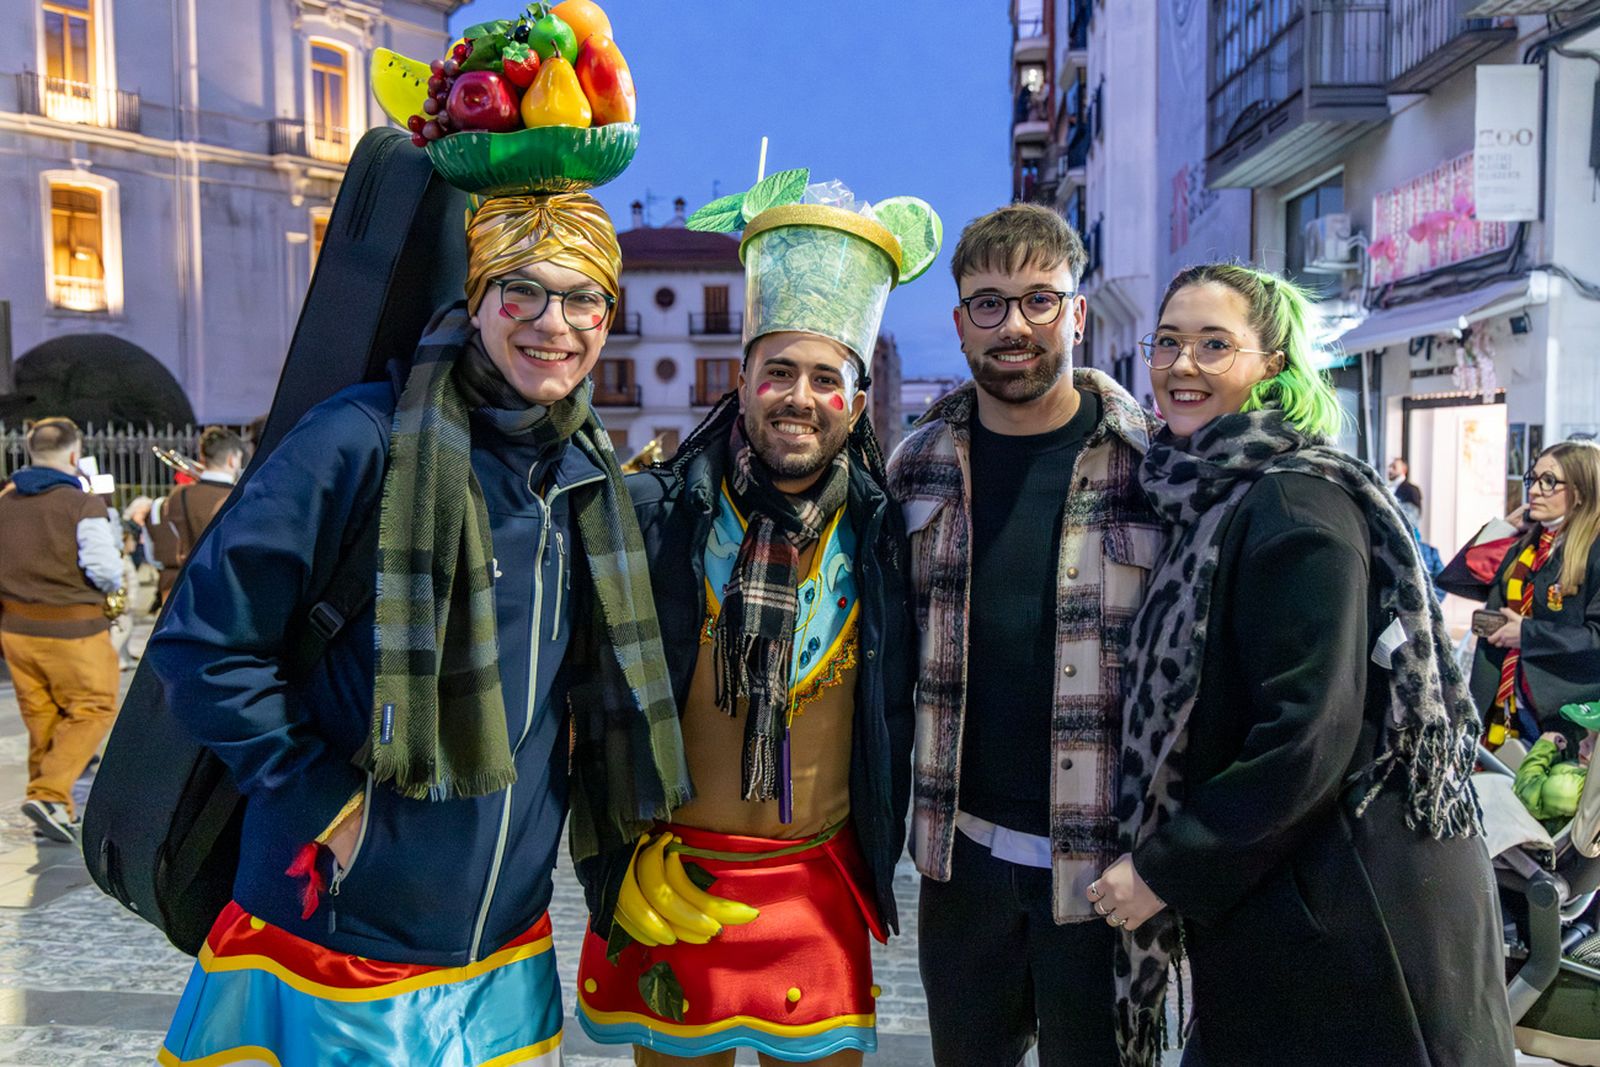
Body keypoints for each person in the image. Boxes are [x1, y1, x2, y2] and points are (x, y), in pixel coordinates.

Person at [147, 188, 690, 1065]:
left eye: (582, 298)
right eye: (522, 290)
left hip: (505, 950)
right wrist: (325, 803)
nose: (554, 323)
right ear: (476, 299)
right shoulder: (360, 439)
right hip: (338, 940)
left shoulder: (586, 482)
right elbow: (203, 646)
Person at [1091, 263, 1514, 1065]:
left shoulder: (1294, 505)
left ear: (1273, 364)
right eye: (1168, 342)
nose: (1182, 365)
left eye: (1214, 345)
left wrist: (1165, 869)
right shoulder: (1214, 495)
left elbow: (1306, 732)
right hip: (1293, 896)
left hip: (1353, 915)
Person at [574, 180, 925, 1065]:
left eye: (825, 378)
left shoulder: (889, 539)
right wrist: (612, 854)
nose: (798, 396)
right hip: (673, 884)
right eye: (778, 372)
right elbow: (583, 697)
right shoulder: (655, 518)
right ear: (741, 383)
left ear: (856, 400)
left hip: (817, 892)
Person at [886, 203, 1161, 1066]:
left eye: (1040, 299)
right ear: (960, 323)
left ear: (1077, 315)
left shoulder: (1154, 469)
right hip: (961, 864)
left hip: (1108, 872)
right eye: (990, 303)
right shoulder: (916, 467)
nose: (1015, 325)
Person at [0, 417, 124, 843]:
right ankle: (50, 795)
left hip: (16, 628)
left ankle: (54, 810)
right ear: (75, 454)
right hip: (74, 628)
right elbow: (105, 569)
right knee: (94, 707)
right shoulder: (81, 503)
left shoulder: (4, 500)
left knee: (42, 714)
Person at [1471, 440, 1600, 747]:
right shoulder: (1529, 542)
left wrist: (1527, 634)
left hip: (1562, 711)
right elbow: (1464, 579)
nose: (1534, 491)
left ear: (1581, 491)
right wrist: (1503, 528)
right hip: (1505, 701)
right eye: (1534, 479)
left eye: (1549, 481)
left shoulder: (1593, 551)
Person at [147, 426, 245, 601]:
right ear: (232, 460)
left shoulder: (178, 495)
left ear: (202, 457)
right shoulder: (239, 496)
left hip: (188, 585)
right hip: (227, 589)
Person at [1514, 700, 1600, 832]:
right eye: (1587, 735)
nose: (1582, 743)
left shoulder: (1575, 790)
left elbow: (1526, 794)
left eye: (1596, 741)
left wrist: (1544, 747)